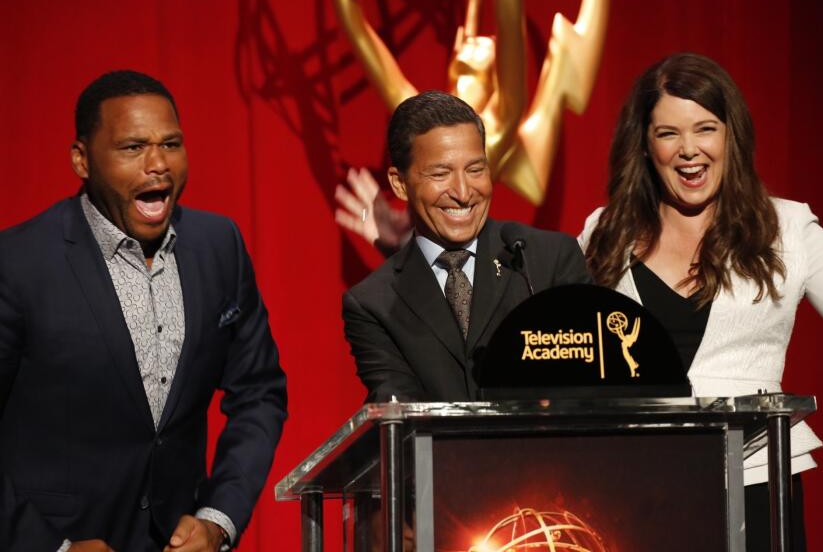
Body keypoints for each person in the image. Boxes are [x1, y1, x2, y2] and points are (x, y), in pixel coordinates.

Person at [0, 71, 288, 551]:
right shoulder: (18, 263)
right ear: (81, 159)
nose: (158, 164)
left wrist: (219, 519)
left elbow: (259, 393)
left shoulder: (219, 246)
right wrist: (51, 547)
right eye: (133, 148)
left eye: (170, 144)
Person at [578, 52, 823, 550]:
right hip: (629, 488)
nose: (689, 149)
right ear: (645, 144)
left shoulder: (789, 229)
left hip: (758, 479)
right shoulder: (603, 232)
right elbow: (547, 340)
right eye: (668, 133)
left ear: (730, 136)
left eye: (705, 128)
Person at [342, 91, 591, 402]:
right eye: (441, 173)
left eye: (475, 170)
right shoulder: (373, 304)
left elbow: (589, 388)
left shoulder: (547, 261)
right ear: (399, 184)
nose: (463, 191)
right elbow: (402, 416)